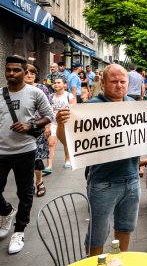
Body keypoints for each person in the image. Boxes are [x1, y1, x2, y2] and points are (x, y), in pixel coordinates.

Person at [56, 64, 141, 256]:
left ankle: (120, 261)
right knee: (97, 235)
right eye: (114, 81)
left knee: (126, 228)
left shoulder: (134, 105)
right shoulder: (90, 107)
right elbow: (68, 142)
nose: (119, 86)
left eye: (122, 82)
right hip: (103, 183)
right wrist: (61, 124)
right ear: (103, 82)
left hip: (132, 179)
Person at [0, 55, 53, 254]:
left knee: (25, 193)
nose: (11, 73)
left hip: (25, 150)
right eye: (8, 70)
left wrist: (30, 125)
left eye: (16, 70)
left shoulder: (35, 93)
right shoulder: (0, 94)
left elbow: (49, 116)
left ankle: (19, 231)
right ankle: (6, 211)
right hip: (1, 151)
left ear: (25, 72)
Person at [23, 65, 52, 197]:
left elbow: (48, 109)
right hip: (21, 129)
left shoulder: (42, 88)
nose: (30, 75)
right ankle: (28, 184)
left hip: (38, 128)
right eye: (27, 73)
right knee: (24, 159)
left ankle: (39, 182)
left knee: (37, 157)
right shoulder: (18, 88)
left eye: (33, 73)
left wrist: (47, 126)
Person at [44, 77, 76, 174]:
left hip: (65, 123)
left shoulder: (69, 96)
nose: (56, 84)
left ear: (64, 85)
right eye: (54, 83)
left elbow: (74, 110)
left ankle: (67, 159)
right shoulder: (50, 96)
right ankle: (49, 165)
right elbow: (47, 111)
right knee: (51, 143)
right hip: (53, 123)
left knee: (66, 143)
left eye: (58, 82)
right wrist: (47, 126)